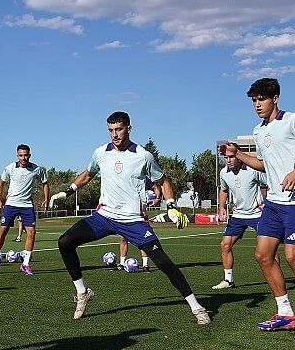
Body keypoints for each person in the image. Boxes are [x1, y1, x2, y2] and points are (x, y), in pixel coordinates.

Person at [51, 111, 209, 325]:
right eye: (111, 130)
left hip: (133, 220)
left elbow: (163, 181)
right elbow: (88, 174)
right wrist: (67, 191)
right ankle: (83, 292)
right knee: (65, 242)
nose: (114, 135)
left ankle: (196, 306)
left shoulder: (143, 156)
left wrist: (171, 207)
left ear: (128, 129)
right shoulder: (100, 153)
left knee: (163, 262)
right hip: (104, 216)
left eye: (119, 129)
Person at [221, 78, 295, 340]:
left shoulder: (293, 120)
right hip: (273, 204)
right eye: (254, 100)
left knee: (293, 258)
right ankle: (286, 313)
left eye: (262, 99)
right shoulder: (258, 131)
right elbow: (264, 166)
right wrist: (238, 154)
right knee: (263, 255)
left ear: (275, 98)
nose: (257, 104)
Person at [0, 144, 49, 276]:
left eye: (25, 155)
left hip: (27, 206)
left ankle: (25, 264)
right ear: (17, 155)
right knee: (3, 230)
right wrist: (0, 200)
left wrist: (46, 199)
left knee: (31, 232)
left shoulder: (37, 169)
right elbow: (1, 182)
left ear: (29, 155)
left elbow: (45, 183)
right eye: (21, 155)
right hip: (11, 204)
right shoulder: (10, 168)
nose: (23, 157)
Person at [212, 143, 267, 289]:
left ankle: (274, 276)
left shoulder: (253, 170)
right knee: (225, 245)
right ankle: (228, 280)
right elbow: (223, 190)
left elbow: (268, 183)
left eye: (231, 157)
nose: (228, 160)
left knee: (268, 249)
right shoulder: (224, 173)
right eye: (226, 158)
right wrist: (221, 207)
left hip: (258, 214)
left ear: (238, 155)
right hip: (238, 216)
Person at [117, 180, 162, 272]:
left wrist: (157, 198)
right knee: (123, 238)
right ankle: (122, 263)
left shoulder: (144, 179)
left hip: (141, 215)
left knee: (143, 240)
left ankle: (145, 265)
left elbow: (156, 187)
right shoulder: (125, 179)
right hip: (127, 214)